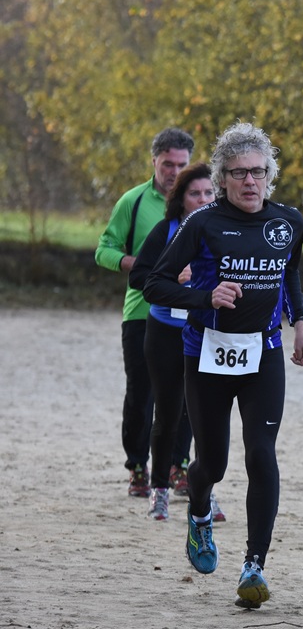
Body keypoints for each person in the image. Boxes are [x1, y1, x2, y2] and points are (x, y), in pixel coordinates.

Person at [143, 121, 303, 609]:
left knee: (262, 453)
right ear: (222, 179)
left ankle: (254, 565)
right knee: (212, 461)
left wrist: (299, 321)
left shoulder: (289, 222)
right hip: (207, 355)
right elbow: (153, 284)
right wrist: (205, 297)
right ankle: (198, 513)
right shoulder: (202, 223)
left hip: (264, 354)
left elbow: (290, 271)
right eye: (238, 173)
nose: (249, 182)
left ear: (269, 175)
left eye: (258, 172)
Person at [95, 127, 196, 498]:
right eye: (167, 163)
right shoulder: (133, 202)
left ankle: (178, 466)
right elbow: (102, 249)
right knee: (142, 394)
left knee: (188, 396)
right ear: (154, 161)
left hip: (189, 315)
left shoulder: (200, 204)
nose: (173, 171)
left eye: (181, 164)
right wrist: (138, 263)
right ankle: (138, 466)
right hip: (142, 311)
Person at [129, 162, 226, 523]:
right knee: (167, 413)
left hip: (206, 332)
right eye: (194, 193)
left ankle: (205, 493)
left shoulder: (224, 232)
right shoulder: (166, 230)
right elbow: (141, 277)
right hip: (165, 332)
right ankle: (159, 492)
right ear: (181, 199)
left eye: (207, 193)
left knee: (202, 416)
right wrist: (175, 278)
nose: (202, 199)